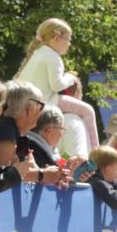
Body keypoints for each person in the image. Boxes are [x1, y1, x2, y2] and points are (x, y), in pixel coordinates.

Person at [14, 18, 99, 150]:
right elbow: (57, 85)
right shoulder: (53, 57)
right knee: (88, 110)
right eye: (69, 39)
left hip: (31, 103)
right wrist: (71, 77)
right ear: (56, 38)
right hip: (46, 101)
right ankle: (96, 153)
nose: (70, 44)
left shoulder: (37, 53)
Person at [0, 81, 68, 187]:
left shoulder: (17, 133)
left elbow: (30, 171)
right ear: (29, 109)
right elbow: (0, 174)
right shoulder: (7, 130)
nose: (41, 112)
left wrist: (55, 176)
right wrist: (42, 175)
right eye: (40, 107)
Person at [57, 75, 90, 159]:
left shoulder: (47, 119)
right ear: (77, 93)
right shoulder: (74, 121)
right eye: (81, 94)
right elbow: (77, 159)